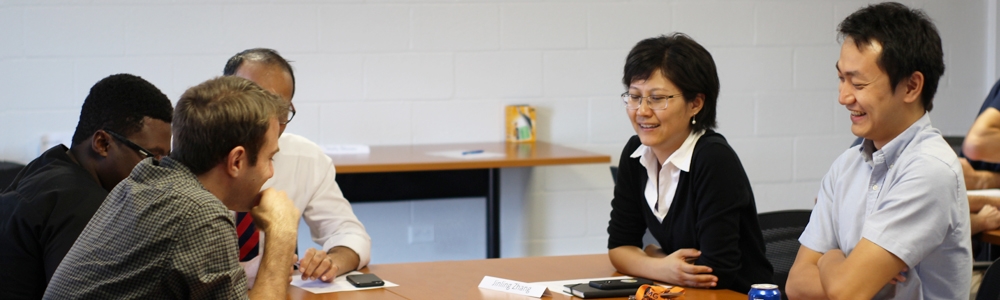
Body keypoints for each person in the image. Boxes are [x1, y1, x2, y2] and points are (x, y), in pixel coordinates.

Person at [44, 76, 298, 299]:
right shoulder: (201, 214)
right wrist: (282, 234)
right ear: (237, 161)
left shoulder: (143, 179)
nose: (271, 172)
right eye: (270, 158)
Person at [786, 2, 971, 299]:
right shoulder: (847, 164)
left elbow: (847, 292)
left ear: (911, 86)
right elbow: (796, 285)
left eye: (858, 83)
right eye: (841, 79)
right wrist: (848, 268)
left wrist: (830, 257)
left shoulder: (930, 169)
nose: (843, 97)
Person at [606, 33, 773, 294]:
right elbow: (618, 248)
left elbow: (715, 272)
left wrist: (651, 254)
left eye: (657, 98)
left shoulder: (713, 158)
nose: (642, 110)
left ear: (695, 103)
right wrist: (661, 265)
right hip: (679, 292)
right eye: (635, 96)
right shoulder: (635, 152)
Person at [0, 74, 173, 299]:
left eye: (166, 158)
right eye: (152, 156)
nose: (160, 170)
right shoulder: (82, 205)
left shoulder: (48, 167)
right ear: (102, 143)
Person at [223, 48, 371, 284]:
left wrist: (332, 262)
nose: (267, 120)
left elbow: (349, 233)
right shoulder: (194, 154)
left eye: (280, 110)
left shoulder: (305, 158)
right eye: (256, 105)